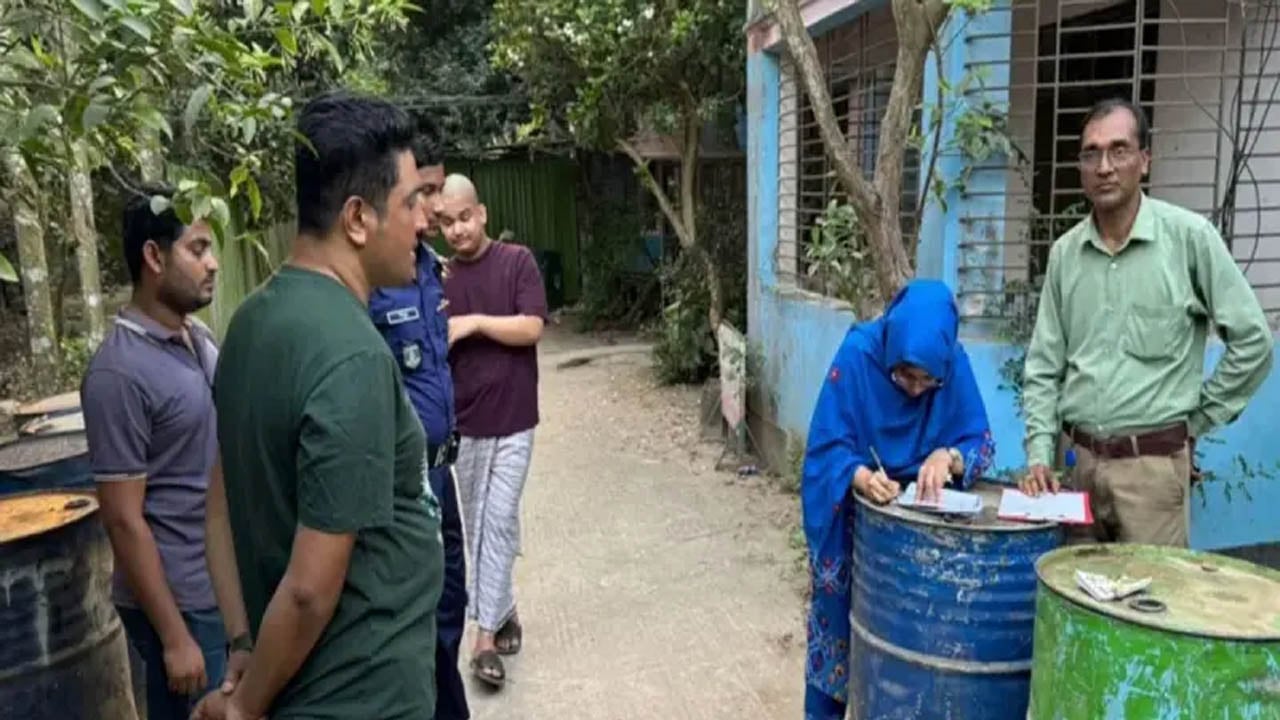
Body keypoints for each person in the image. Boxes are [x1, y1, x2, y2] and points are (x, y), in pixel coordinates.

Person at [192, 91, 445, 720]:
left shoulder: (250, 324)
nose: (425, 222)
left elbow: (218, 508)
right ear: (358, 219)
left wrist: (243, 643)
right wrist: (245, 708)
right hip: (359, 698)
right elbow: (309, 589)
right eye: (412, 202)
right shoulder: (350, 354)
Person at [1018, 98, 1274, 547]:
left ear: (1144, 161)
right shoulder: (1065, 255)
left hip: (1152, 474)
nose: (1104, 166)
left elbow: (1253, 343)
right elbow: (1043, 366)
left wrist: (1196, 421)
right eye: (1091, 153)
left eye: (1119, 150)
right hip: (1076, 472)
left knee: (1150, 606)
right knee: (1075, 603)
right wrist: (1040, 453)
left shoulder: (1189, 240)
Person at [800, 279, 995, 720]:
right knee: (836, 641)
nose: (914, 390)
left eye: (928, 382)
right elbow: (825, 447)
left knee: (911, 653)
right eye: (904, 375)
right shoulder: (858, 357)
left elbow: (981, 440)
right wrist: (861, 475)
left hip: (920, 538)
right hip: (856, 521)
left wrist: (950, 458)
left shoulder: (953, 364)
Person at [80, 184, 226, 720]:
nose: (212, 264)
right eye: (197, 249)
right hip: (180, 603)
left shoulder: (197, 338)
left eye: (212, 250)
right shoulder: (118, 374)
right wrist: (174, 637)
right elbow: (122, 520)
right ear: (153, 256)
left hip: (217, 588)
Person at [368, 124, 470, 720]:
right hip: (405, 486)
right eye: (422, 193)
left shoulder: (429, 269)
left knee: (448, 609)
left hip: (442, 472)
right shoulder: (378, 278)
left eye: (434, 190)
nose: (433, 207)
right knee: (422, 625)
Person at [437, 173, 547, 688]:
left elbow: (531, 327)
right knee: (479, 525)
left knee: (499, 519)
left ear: (480, 213)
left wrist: (476, 322)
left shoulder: (516, 261)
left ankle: (482, 639)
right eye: (446, 222)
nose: (457, 229)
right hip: (466, 423)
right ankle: (504, 611)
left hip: (515, 419)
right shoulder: (437, 280)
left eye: (464, 217)